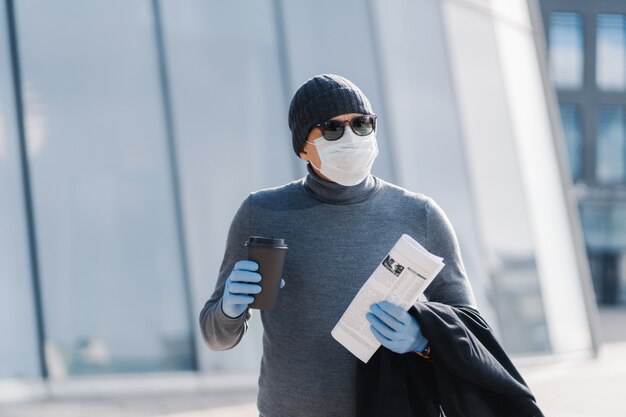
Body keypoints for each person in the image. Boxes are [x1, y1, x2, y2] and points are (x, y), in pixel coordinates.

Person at [199, 74, 479, 417]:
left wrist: (423, 341)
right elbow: (216, 337)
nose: (351, 137)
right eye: (332, 129)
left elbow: (470, 331)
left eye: (362, 124)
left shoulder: (419, 214)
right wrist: (229, 309)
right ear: (303, 147)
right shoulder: (262, 212)